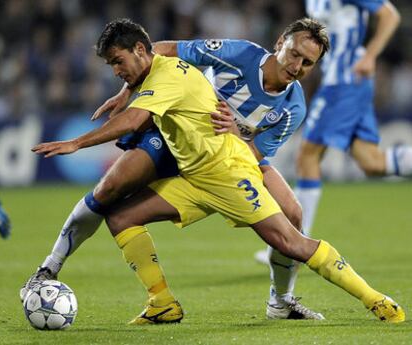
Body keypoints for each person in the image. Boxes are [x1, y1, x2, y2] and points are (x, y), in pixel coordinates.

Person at [32, 18, 405, 324]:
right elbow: (162, 50)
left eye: (307, 64)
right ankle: (145, 297)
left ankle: (289, 301)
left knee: (292, 221)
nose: (297, 66)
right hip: (181, 143)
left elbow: (256, 153)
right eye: (294, 54)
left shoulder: (293, 108)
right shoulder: (238, 54)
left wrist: (236, 133)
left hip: (226, 163)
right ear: (280, 43)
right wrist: (128, 89)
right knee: (113, 203)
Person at [294, 0, 411, 237]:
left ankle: (293, 243)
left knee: (308, 155)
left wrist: (370, 55)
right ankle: (294, 241)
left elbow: (390, 16)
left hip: (345, 82)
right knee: (372, 162)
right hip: (339, 81)